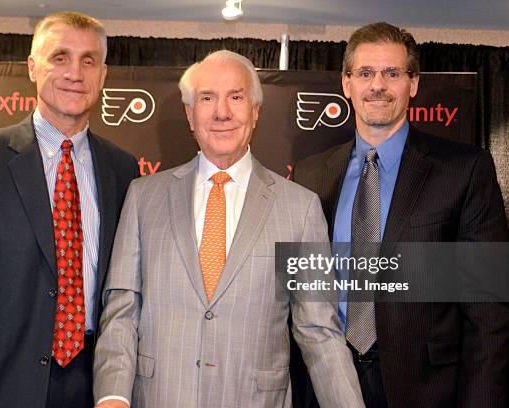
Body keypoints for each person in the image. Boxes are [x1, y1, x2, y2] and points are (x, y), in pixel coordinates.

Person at [93, 50, 364, 408]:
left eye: (236, 97)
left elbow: (319, 331)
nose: (222, 112)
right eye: (207, 98)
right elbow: (122, 311)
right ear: (190, 114)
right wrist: (112, 397)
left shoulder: (300, 209)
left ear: (255, 111)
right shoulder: (144, 197)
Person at [0, 11, 138, 408]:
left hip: (95, 388)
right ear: (33, 67)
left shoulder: (122, 169)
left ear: (103, 75)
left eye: (88, 61)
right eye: (60, 57)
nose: (75, 72)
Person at [293, 22, 509, 407]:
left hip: (425, 389)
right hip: (325, 382)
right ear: (347, 84)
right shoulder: (311, 173)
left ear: (413, 83)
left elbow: (491, 311)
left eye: (392, 73)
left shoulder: (466, 169)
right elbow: (298, 287)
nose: (378, 85)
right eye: (365, 73)